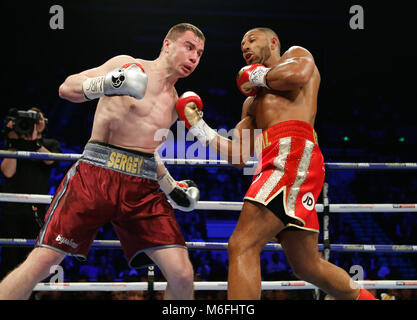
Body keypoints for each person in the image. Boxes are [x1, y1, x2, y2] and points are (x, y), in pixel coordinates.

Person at [0, 22, 205, 300]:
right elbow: (67, 88)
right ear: (167, 44)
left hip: (142, 187)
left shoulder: (175, 104)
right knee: (43, 262)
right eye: (189, 47)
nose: (194, 57)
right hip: (96, 173)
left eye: (200, 53)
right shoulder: (128, 65)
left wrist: (171, 187)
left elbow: (147, 150)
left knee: (182, 274)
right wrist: (110, 83)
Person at [175, 27, 377, 300]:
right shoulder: (251, 102)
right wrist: (198, 126)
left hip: (293, 154)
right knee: (308, 266)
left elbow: (298, 76)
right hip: (273, 161)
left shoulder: (296, 56)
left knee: (242, 244)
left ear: (273, 42)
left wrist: (255, 75)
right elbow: (239, 157)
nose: (245, 46)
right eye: (242, 44)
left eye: (251, 40)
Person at [0, 107, 61, 279]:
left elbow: (51, 160)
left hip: (36, 209)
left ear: (44, 123)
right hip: (12, 209)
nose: (33, 122)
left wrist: (34, 142)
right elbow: (8, 172)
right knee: (10, 258)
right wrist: (14, 141)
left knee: (32, 258)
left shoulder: (50, 145)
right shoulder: (12, 143)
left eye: (37, 118)